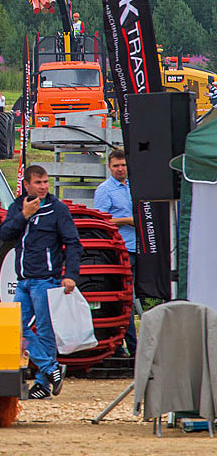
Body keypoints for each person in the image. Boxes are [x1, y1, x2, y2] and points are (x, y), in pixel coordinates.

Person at [0, 164, 82, 399]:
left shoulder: (58, 209)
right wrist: (24, 215)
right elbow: (4, 234)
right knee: (16, 328)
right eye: (38, 182)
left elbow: (73, 243)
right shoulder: (17, 206)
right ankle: (51, 368)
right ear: (26, 185)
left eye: (45, 182)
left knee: (45, 332)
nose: (43, 187)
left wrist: (70, 274)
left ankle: (43, 385)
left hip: (46, 280)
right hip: (23, 280)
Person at [94, 149, 137, 353]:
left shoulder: (134, 187)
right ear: (109, 167)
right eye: (116, 166)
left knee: (136, 298)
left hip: (138, 248)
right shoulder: (104, 190)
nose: (120, 169)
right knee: (125, 299)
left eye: (123, 165)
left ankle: (132, 346)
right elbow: (101, 221)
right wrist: (127, 221)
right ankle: (124, 347)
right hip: (119, 249)